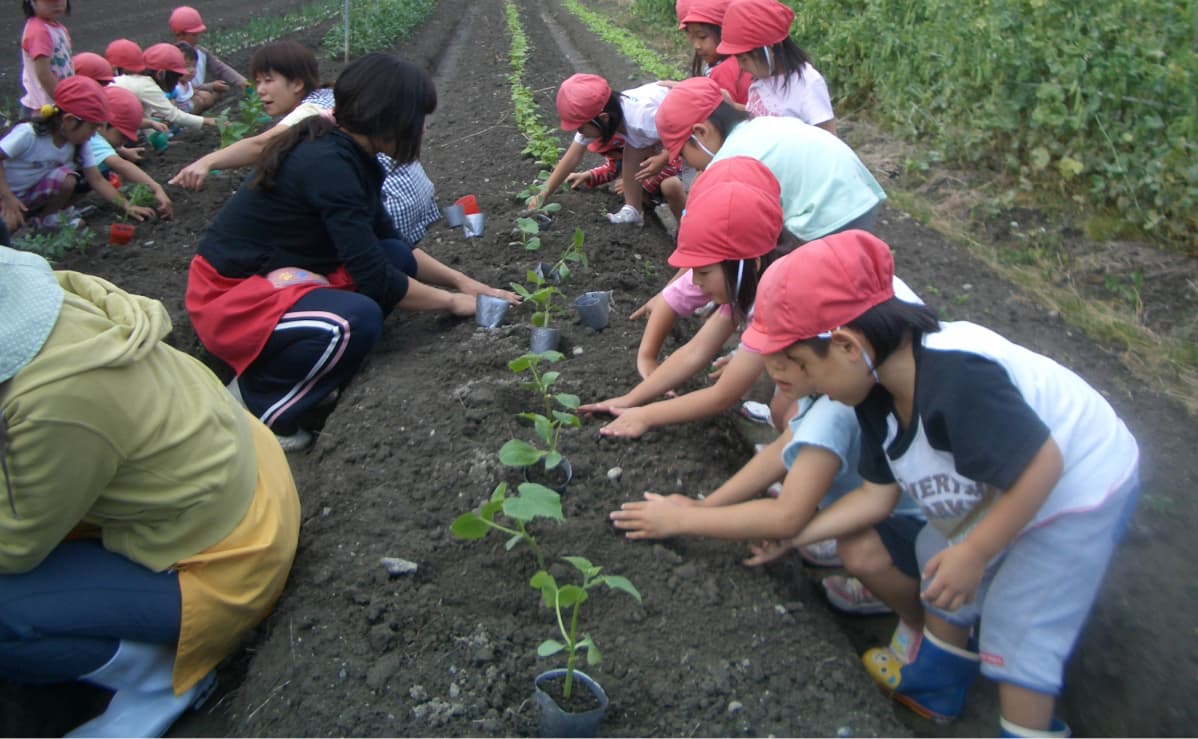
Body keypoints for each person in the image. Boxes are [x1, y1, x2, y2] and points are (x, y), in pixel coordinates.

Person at [740, 230, 1140, 737]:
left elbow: (1043, 464)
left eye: (805, 374)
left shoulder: (956, 376)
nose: (806, 393)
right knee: (937, 554)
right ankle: (937, 686)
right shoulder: (873, 391)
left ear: (844, 345)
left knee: (1022, 623)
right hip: (1010, 473)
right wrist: (797, 535)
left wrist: (977, 552)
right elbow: (877, 495)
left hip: (1080, 484)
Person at [607, 160, 926, 628]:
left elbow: (780, 510)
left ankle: (921, 618)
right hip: (899, 475)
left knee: (804, 440)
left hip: (935, 523)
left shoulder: (836, 396)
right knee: (791, 419)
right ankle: (834, 510)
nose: (693, 285)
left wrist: (686, 517)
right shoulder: (787, 289)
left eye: (701, 273)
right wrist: (638, 402)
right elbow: (704, 363)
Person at [0, 245, 302, 738]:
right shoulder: (58, 296)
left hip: (229, 556)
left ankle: (160, 679)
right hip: (242, 474)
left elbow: (14, 545)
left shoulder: (52, 398)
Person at [185, 54, 519, 452]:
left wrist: (466, 283)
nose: (423, 128)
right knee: (354, 321)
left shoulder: (350, 155)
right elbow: (374, 279)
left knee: (392, 254)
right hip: (231, 298)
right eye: (419, 117)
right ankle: (257, 405)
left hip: (277, 276)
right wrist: (454, 303)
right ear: (390, 117)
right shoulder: (329, 165)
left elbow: (390, 243)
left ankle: (306, 369)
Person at [628, 75, 886, 428]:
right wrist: (674, 292)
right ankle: (782, 366)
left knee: (805, 304)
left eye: (684, 154)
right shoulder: (754, 126)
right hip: (851, 192)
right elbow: (712, 254)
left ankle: (802, 391)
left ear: (701, 133)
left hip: (826, 214)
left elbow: (712, 249)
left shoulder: (729, 166)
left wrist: (678, 293)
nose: (690, 166)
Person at [579, 156, 786, 437]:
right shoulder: (747, 281)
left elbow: (722, 396)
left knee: (788, 410)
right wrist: (629, 400)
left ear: (747, 263)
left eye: (702, 272)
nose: (695, 282)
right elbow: (694, 352)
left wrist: (646, 416)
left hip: (844, 384)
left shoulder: (778, 298)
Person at [169, 40, 442, 245]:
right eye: (257, 82)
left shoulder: (312, 112)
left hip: (392, 212)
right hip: (418, 203)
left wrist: (207, 161)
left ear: (297, 83)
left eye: (268, 80)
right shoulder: (335, 96)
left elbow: (259, 146)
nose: (261, 90)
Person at [0, 75, 155, 235]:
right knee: (8, 228)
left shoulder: (80, 143)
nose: (94, 134)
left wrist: (127, 206)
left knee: (68, 179)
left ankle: (45, 221)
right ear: (69, 120)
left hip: (29, 195)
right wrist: (7, 198)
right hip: (5, 193)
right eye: (92, 127)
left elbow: (97, 179)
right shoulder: (29, 134)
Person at [526, 73, 685, 225]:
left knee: (696, 175)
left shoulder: (644, 121)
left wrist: (664, 157)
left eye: (580, 128)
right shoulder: (603, 115)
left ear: (603, 118)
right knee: (631, 155)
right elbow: (571, 157)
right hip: (667, 127)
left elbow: (686, 133)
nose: (579, 132)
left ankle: (692, 225)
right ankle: (633, 211)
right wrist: (542, 195)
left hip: (692, 123)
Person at [718, 0, 836, 133]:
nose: (741, 66)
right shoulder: (761, 81)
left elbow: (828, 136)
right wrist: (732, 107)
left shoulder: (807, 84)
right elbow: (761, 117)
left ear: (769, 49)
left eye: (744, 59)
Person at [88, 85, 173, 219]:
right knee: (89, 178)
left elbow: (127, 121)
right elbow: (121, 165)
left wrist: (150, 124)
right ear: (102, 124)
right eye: (122, 135)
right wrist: (156, 188)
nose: (125, 140)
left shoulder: (98, 130)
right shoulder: (93, 138)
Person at [112, 42, 217, 133]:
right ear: (161, 74)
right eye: (175, 77)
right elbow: (173, 114)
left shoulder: (141, 83)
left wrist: (158, 143)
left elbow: (146, 116)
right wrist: (206, 120)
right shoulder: (147, 86)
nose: (176, 82)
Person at [168, 4, 248, 107]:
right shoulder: (171, 56)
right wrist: (211, 86)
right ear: (179, 34)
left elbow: (220, 68)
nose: (197, 38)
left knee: (216, 93)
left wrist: (241, 81)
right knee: (205, 97)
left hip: (198, 92)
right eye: (194, 35)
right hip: (178, 98)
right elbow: (180, 86)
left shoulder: (201, 52)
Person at [677, 0, 752, 105]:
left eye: (702, 37)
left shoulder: (723, 71)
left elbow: (720, 117)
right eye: (691, 37)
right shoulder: (743, 60)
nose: (696, 45)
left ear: (725, 31)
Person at [18, 0, 73, 120]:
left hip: (55, 102)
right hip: (43, 109)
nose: (57, 4)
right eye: (49, 1)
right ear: (32, 2)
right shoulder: (39, 31)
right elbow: (44, 74)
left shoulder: (57, 28)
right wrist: (66, 103)